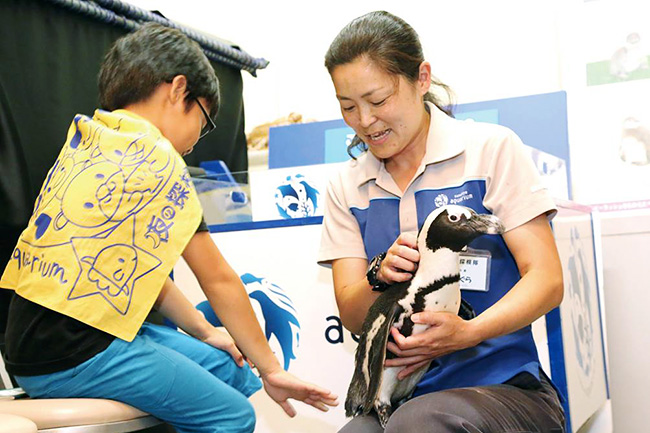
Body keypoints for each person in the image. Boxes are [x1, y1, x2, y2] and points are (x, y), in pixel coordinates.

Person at [1, 23, 337, 433]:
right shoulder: (156, 159)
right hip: (74, 353)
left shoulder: (89, 142)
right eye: (204, 120)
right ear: (179, 90)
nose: (198, 139)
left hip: (31, 346)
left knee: (226, 366)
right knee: (234, 415)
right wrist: (272, 370)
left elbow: (147, 275)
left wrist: (207, 331)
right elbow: (218, 280)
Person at [318, 11, 566, 433]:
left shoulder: (489, 150)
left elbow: (547, 279)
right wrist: (379, 279)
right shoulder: (348, 185)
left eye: (378, 101)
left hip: (502, 386)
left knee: (421, 425)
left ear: (422, 78)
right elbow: (352, 311)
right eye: (348, 107)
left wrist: (469, 331)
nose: (364, 121)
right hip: (403, 394)